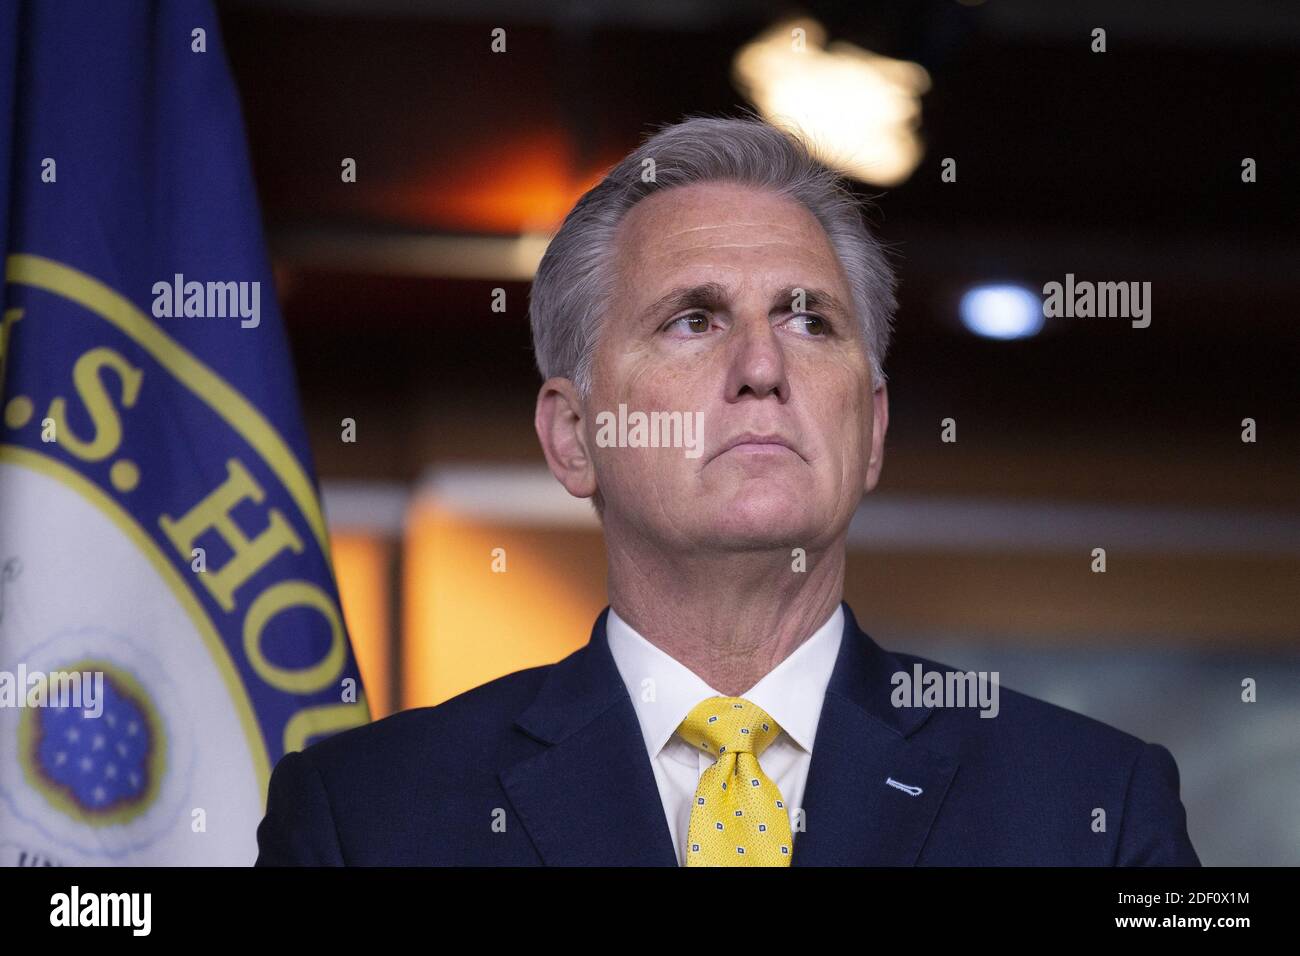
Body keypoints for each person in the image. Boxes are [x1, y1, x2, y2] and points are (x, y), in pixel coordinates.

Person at [255, 115, 1199, 866]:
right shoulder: (366, 818)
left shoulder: (1093, 810)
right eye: (694, 319)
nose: (761, 366)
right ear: (575, 436)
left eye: (810, 321)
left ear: (871, 429)